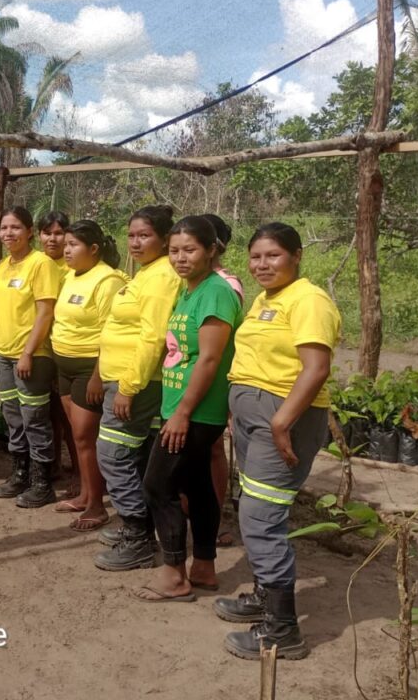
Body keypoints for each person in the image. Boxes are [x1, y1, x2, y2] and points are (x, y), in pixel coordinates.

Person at [216, 222, 340, 660]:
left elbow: (315, 369)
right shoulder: (268, 300)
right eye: (256, 257)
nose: (262, 265)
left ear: (297, 255)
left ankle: (283, 631)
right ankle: (263, 598)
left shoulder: (309, 300)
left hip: (284, 417)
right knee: (252, 506)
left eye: (273, 255)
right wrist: (239, 408)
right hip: (257, 415)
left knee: (260, 517)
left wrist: (281, 422)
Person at [132, 216, 242, 603]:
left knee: (157, 486)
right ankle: (205, 567)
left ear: (211, 250)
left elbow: (210, 359)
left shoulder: (215, 292)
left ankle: (174, 573)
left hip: (195, 412)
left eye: (190, 250)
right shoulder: (189, 290)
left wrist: (181, 413)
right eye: (175, 250)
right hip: (183, 408)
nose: (180, 257)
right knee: (196, 488)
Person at [92, 205, 181, 571]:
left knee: (112, 455)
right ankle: (140, 527)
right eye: (131, 235)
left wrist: (128, 386)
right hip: (120, 378)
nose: (136, 242)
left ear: (163, 239)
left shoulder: (162, 277)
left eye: (144, 236)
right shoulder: (144, 273)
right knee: (133, 456)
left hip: (137, 382)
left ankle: (138, 535)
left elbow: (152, 337)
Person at [51, 221, 127, 531]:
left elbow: (111, 330)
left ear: (94, 249)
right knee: (78, 435)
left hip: (88, 367)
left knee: (85, 437)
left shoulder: (107, 280)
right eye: (66, 244)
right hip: (64, 364)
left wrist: (98, 375)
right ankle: (85, 494)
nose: (66, 250)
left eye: (74, 245)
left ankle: (97, 506)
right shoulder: (70, 275)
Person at [0, 206, 60, 508]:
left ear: (29, 231)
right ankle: (20, 473)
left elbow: (46, 311)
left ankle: (43, 482)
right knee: (13, 416)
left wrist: (28, 352)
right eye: (5, 228)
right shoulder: (3, 265)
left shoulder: (41, 263)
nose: (9, 233)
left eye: (16, 227)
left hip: (31, 355)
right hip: (2, 354)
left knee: (34, 419)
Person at [200, 212, 243, 548]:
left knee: (213, 448)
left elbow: (217, 347)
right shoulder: (189, 283)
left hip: (213, 379)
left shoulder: (226, 286)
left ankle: (214, 520)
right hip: (182, 379)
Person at [38, 210, 76, 482]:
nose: (52, 239)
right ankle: (53, 464)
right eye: (47, 232)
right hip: (41, 350)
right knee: (49, 412)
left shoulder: (73, 267)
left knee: (70, 416)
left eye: (59, 233)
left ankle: (79, 470)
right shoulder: (36, 264)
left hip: (67, 352)